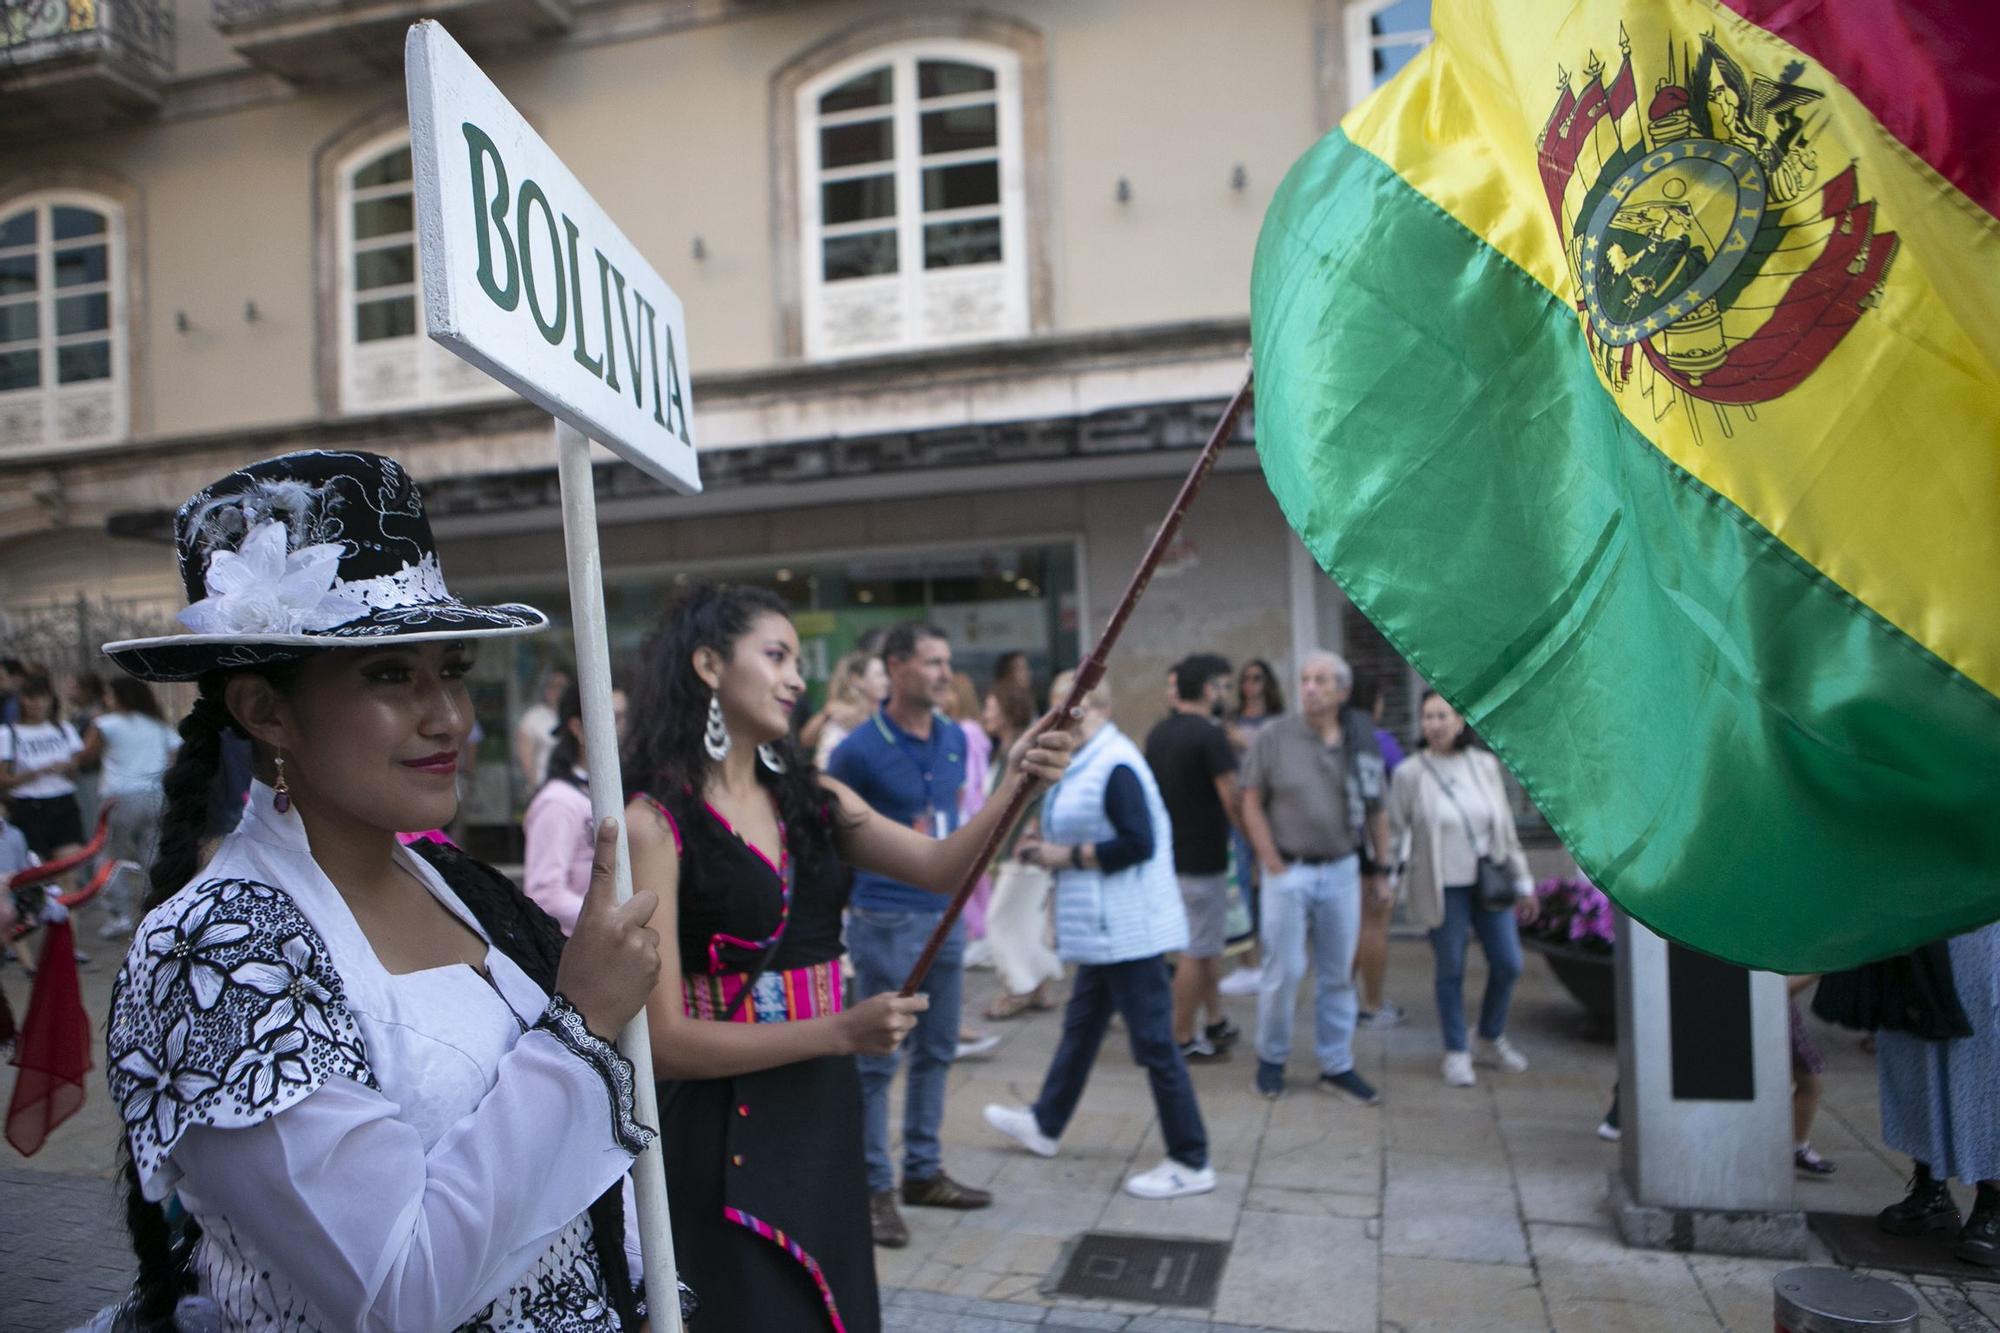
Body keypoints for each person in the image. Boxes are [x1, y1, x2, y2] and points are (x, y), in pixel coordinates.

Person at [95, 450, 670, 1330]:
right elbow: (396, 1292)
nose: (448, 715)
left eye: (452, 668)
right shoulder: (217, 950)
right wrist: (580, 1025)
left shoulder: (455, 881)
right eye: (391, 674)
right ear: (265, 710)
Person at [619, 588, 1072, 1327]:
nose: (798, 678)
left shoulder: (815, 797)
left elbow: (942, 865)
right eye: (776, 656)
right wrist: (840, 1032)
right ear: (707, 664)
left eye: (798, 660)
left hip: (823, 1111)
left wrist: (1018, 778)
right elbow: (663, 1042)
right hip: (723, 1131)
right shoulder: (653, 824)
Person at [983, 669, 1212, 1198]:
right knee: (1082, 1030)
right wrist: (1046, 837)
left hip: (1127, 929)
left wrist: (1064, 856)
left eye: (1072, 709)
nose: (1063, 720)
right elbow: (1085, 820)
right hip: (1106, 928)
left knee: (1155, 1043)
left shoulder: (1115, 764)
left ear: (1099, 710)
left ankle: (1191, 1157)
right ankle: (1045, 1123)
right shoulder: (1089, 761)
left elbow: (1139, 843)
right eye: (1057, 710)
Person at [825, 621, 1003, 1249]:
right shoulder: (856, 749)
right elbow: (834, 838)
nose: (943, 673)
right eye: (930, 661)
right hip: (885, 919)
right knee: (879, 1061)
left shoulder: (956, 737)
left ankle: (922, 1172)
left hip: (944, 913)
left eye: (946, 661)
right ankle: (875, 1188)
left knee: (937, 1050)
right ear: (895, 667)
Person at [1238, 650, 1390, 1104]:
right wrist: (1270, 860)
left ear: (1342, 691)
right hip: (1289, 869)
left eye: (1322, 680)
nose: (1310, 687)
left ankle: (1337, 1064)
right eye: (1305, 679)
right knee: (1283, 971)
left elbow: (1379, 811)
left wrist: (1381, 870)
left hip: (1341, 868)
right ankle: (1271, 1059)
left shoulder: (1360, 741)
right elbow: (1250, 800)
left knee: (1338, 973)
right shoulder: (1275, 737)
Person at [1387, 690, 1534, 1088]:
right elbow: (1396, 833)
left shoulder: (1484, 765)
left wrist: (1524, 882)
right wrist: (1391, 882)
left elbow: (1504, 827)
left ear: (1460, 722)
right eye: (1428, 717)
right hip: (1441, 886)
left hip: (1489, 881)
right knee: (1450, 968)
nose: (1435, 724)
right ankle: (1455, 1050)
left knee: (1509, 962)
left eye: (1442, 716)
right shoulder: (1410, 773)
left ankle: (1488, 1034)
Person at [1874, 920, 2000, 1268]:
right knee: (1914, 1042)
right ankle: (1931, 1189)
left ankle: (1994, 1203)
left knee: (1985, 1052)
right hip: (1923, 899)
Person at [1145, 653, 1244, 1061]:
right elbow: (1232, 799)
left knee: (1204, 946)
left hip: (1170, 858)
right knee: (1195, 950)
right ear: (1206, 689)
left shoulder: (1158, 733)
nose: (1223, 693)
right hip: (1203, 859)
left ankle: (1214, 1020)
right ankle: (1181, 1038)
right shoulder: (1209, 735)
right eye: (1220, 685)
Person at [980, 679, 1064, 1021]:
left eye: (991, 707)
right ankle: (1036, 983)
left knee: (999, 919)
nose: (986, 713)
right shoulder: (1004, 750)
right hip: (1014, 850)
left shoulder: (1022, 749)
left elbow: (1039, 796)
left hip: (1021, 850)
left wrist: (1030, 832)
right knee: (1025, 921)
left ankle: (1018, 986)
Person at [76, 676, 181, 938]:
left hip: (119, 796)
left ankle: (118, 913)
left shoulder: (104, 724)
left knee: (110, 855)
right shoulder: (156, 724)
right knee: (151, 853)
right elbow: (176, 752)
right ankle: (154, 908)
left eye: (110, 695)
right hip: (155, 794)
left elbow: (85, 755)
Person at [522, 680, 627, 935]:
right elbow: (545, 894)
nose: (625, 729)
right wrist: (617, 921)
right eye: (615, 718)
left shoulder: (612, 791)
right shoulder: (559, 801)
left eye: (627, 718)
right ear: (578, 727)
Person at [1218, 658, 1284, 1000]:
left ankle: (1273, 957)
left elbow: (1280, 762)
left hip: (1273, 808)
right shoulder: (1231, 719)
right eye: (1245, 679)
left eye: (1257, 678)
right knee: (1241, 882)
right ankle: (1248, 962)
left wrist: (1245, 742)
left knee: (1273, 880)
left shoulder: (1278, 722)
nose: (1250, 685)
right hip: (1238, 804)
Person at [1347, 676, 1405, 1028]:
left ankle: (1342, 998)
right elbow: (1401, 782)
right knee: (1373, 927)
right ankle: (1371, 1002)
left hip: (1347, 844)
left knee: (1353, 927)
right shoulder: (1379, 741)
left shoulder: (1340, 740)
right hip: (1375, 844)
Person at [0, 672, 86, 869]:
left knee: (68, 867)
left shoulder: (63, 729)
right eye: (30, 698)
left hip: (63, 802)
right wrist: (35, 772)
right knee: (38, 871)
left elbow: (77, 766)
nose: (35, 704)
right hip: (29, 805)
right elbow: (3, 778)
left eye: (40, 697)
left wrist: (68, 767)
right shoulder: (8, 734)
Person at [802, 650, 889, 767]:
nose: (886, 681)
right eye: (879, 675)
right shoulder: (840, 712)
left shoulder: (884, 711)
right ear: (857, 679)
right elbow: (805, 741)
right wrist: (825, 714)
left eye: (886, 675)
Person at [513, 665, 572, 795]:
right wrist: (538, 787)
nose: (559, 691)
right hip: (544, 788)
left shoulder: (575, 715)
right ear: (546, 690)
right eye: (554, 686)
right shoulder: (533, 717)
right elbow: (526, 757)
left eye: (563, 687)